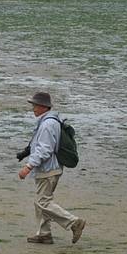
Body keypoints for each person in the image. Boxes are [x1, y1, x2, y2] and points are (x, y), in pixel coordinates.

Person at [18, 90, 85, 245]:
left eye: (35, 105)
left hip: (48, 169)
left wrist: (28, 167)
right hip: (51, 168)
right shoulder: (51, 121)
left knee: (43, 202)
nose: (33, 108)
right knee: (42, 201)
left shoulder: (47, 124)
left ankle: (74, 222)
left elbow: (44, 149)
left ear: (43, 107)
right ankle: (44, 234)